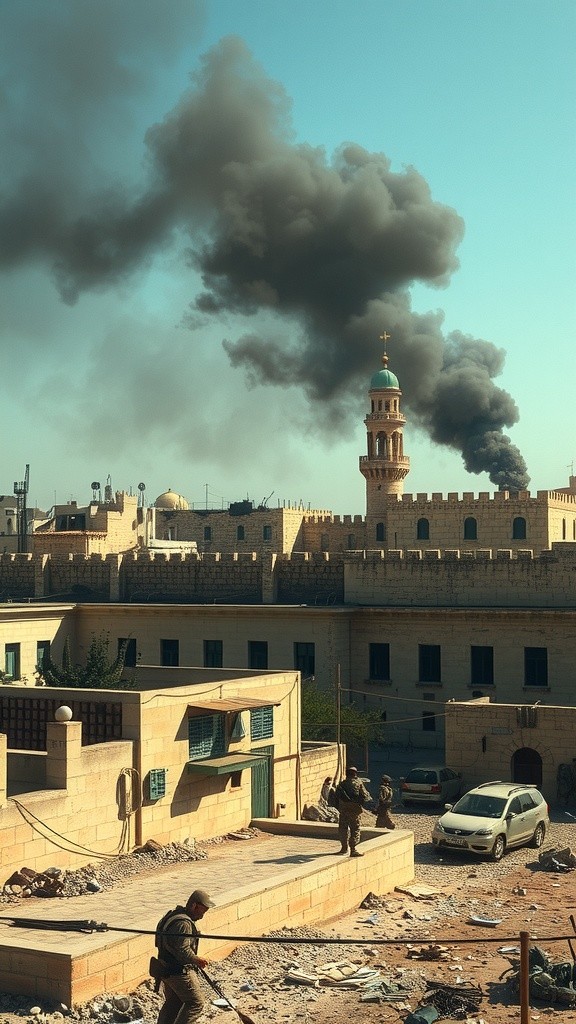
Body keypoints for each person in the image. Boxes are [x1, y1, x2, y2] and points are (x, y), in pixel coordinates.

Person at [155, 888, 215, 1024]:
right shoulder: (183, 924)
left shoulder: (174, 915)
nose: (203, 915)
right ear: (194, 905)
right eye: (203, 910)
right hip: (177, 971)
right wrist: (196, 959)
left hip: (165, 967)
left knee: (174, 1001)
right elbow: (182, 950)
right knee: (196, 1003)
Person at [333, 766, 372, 857]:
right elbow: (366, 796)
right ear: (355, 774)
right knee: (355, 829)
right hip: (354, 810)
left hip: (343, 810)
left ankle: (344, 848)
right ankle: (353, 849)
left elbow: (336, 798)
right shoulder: (358, 783)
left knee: (343, 829)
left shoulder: (342, 784)